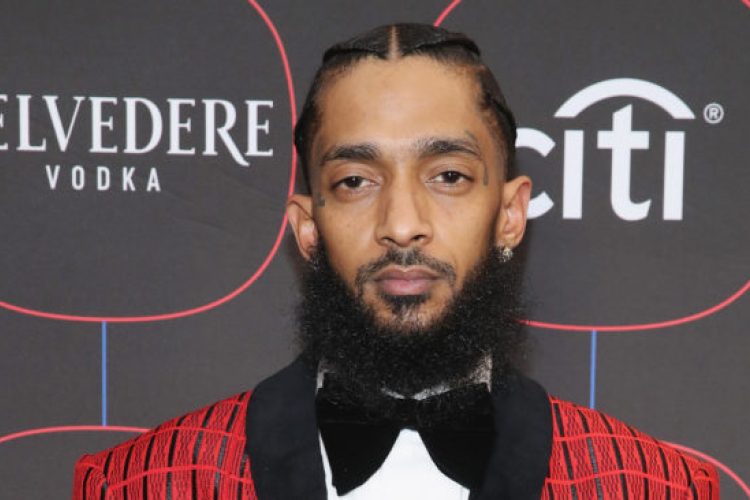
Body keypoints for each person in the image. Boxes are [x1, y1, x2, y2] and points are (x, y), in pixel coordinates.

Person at [73, 23, 719, 499]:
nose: (402, 223)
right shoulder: (137, 485)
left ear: (510, 214)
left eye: (448, 176)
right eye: (356, 181)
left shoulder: (657, 487)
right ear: (307, 228)